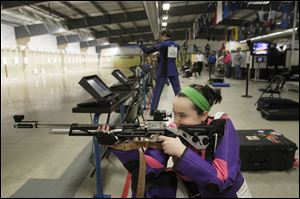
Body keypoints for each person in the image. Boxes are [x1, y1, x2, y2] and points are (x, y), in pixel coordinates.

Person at [97, 84, 252, 198]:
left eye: (183, 116)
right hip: (193, 189)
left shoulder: (221, 128)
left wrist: (182, 152)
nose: (176, 121)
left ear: (204, 115)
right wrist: (119, 145)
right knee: (150, 186)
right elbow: (149, 167)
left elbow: (222, 180)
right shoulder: (173, 129)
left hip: (227, 194)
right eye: (174, 113)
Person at [138, 29, 181, 115]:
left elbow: (147, 51)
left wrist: (140, 44)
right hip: (173, 70)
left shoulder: (162, 45)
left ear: (164, 35)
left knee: (157, 91)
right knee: (178, 91)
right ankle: (182, 109)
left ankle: (153, 110)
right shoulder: (177, 45)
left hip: (163, 70)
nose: (160, 38)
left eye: (161, 36)